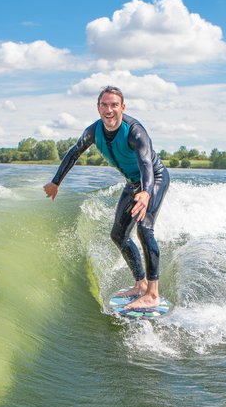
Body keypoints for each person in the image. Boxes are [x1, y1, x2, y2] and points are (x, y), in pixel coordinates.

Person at [43, 86, 170, 309]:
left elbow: (146, 164)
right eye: (104, 105)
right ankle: (140, 284)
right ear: (98, 108)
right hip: (133, 183)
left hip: (154, 179)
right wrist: (56, 182)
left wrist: (146, 192)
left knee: (144, 229)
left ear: (123, 107)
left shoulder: (135, 131)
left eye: (114, 105)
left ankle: (152, 294)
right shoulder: (93, 131)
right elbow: (74, 153)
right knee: (118, 234)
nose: (109, 110)